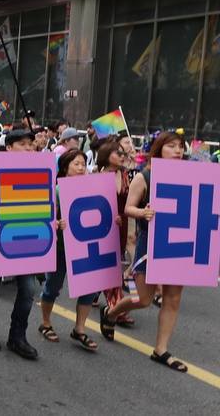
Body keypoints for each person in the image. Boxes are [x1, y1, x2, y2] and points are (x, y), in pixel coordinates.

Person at [99, 131, 189, 372]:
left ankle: (161, 349)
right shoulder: (145, 175)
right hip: (149, 245)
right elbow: (129, 208)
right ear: (159, 149)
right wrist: (144, 213)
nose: (178, 150)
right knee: (145, 299)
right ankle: (110, 313)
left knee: (173, 297)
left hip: (179, 246)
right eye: (171, 146)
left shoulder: (191, 177)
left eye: (180, 146)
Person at [0, 126, 40, 359]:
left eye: (30, 145)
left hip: (27, 240)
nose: (27, 149)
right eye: (22, 144)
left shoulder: (39, 173)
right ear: (10, 147)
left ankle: (18, 336)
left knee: (28, 289)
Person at [37, 149, 99, 351]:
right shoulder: (55, 191)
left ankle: (79, 329)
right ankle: (45, 323)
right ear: (65, 167)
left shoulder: (92, 189)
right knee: (53, 286)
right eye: (76, 164)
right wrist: (56, 223)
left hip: (85, 246)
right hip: (61, 247)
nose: (81, 168)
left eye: (83, 164)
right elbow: (45, 218)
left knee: (89, 287)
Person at [94, 139, 136, 327]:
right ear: (106, 155)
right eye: (117, 153)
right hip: (104, 228)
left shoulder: (125, 174)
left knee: (116, 265)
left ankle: (98, 294)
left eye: (122, 153)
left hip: (122, 226)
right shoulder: (98, 176)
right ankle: (117, 308)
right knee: (109, 268)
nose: (121, 156)